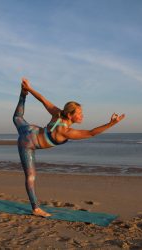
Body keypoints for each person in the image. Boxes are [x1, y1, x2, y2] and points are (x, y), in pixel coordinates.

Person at [13, 77, 125, 217]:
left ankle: (23, 94)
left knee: (17, 117)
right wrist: (111, 123)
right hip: (27, 144)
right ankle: (35, 208)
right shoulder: (66, 132)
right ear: (70, 115)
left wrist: (28, 89)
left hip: (30, 129)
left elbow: (42, 99)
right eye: (79, 114)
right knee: (30, 176)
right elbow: (91, 133)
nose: (82, 116)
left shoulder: (58, 113)